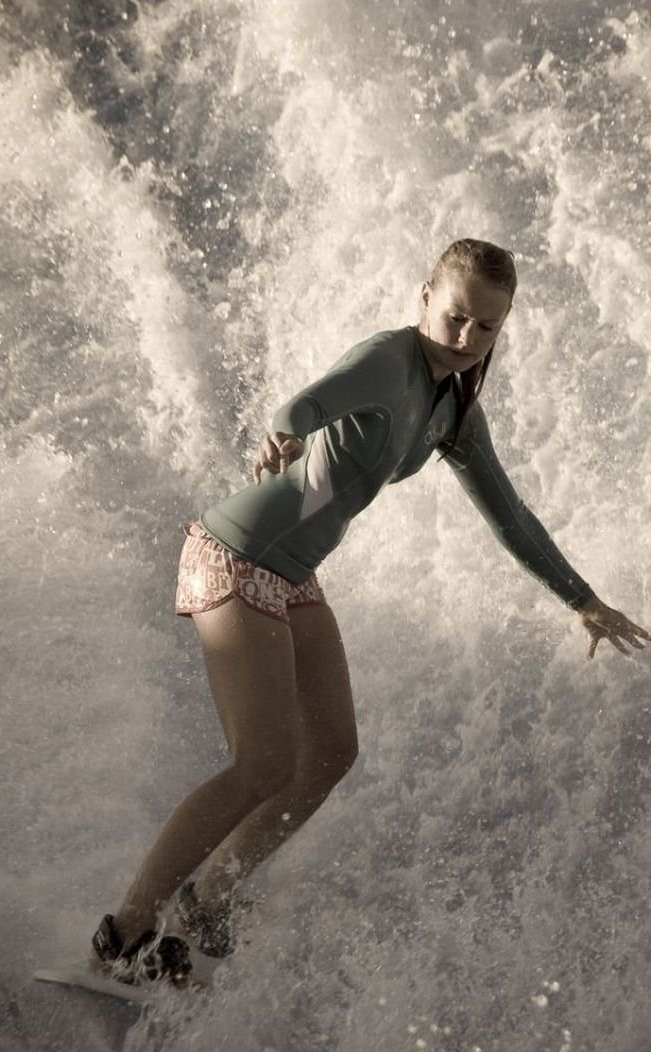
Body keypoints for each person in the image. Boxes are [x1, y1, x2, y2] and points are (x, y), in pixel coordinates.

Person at [90, 238, 649, 986]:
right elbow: (312, 400)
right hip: (235, 555)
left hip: (290, 575)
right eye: (455, 318)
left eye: (487, 327)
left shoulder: (455, 406)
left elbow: (510, 515)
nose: (466, 339)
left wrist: (582, 599)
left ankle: (206, 898)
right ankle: (121, 937)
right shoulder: (390, 361)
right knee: (261, 765)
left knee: (328, 755)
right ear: (425, 298)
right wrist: (286, 432)